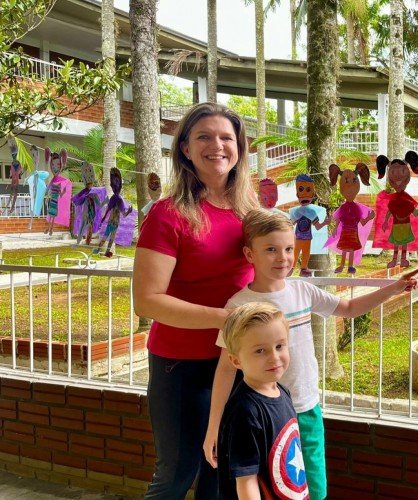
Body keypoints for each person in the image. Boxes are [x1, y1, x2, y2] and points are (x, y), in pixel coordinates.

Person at [203, 208, 418, 500]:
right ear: (249, 254)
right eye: (271, 249)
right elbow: (226, 368)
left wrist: (393, 289)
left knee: (314, 488)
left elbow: (348, 308)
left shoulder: (303, 291)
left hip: (305, 408)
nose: (282, 258)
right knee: (272, 488)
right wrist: (214, 426)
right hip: (262, 417)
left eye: (289, 249)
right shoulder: (238, 305)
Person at [133, 102, 259, 499]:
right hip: (181, 366)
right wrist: (226, 319)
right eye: (204, 136)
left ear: (239, 147)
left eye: (226, 137)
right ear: (185, 148)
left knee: (219, 472)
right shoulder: (168, 215)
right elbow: (148, 302)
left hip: (237, 360)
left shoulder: (250, 213)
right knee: (177, 472)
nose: (216, 145)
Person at [217, 302, 308, 499]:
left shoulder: (282, 392)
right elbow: (246, 480)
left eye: (279, 346)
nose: (274, 357)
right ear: (236, 361)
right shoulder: (245, 411)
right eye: (260, 351)